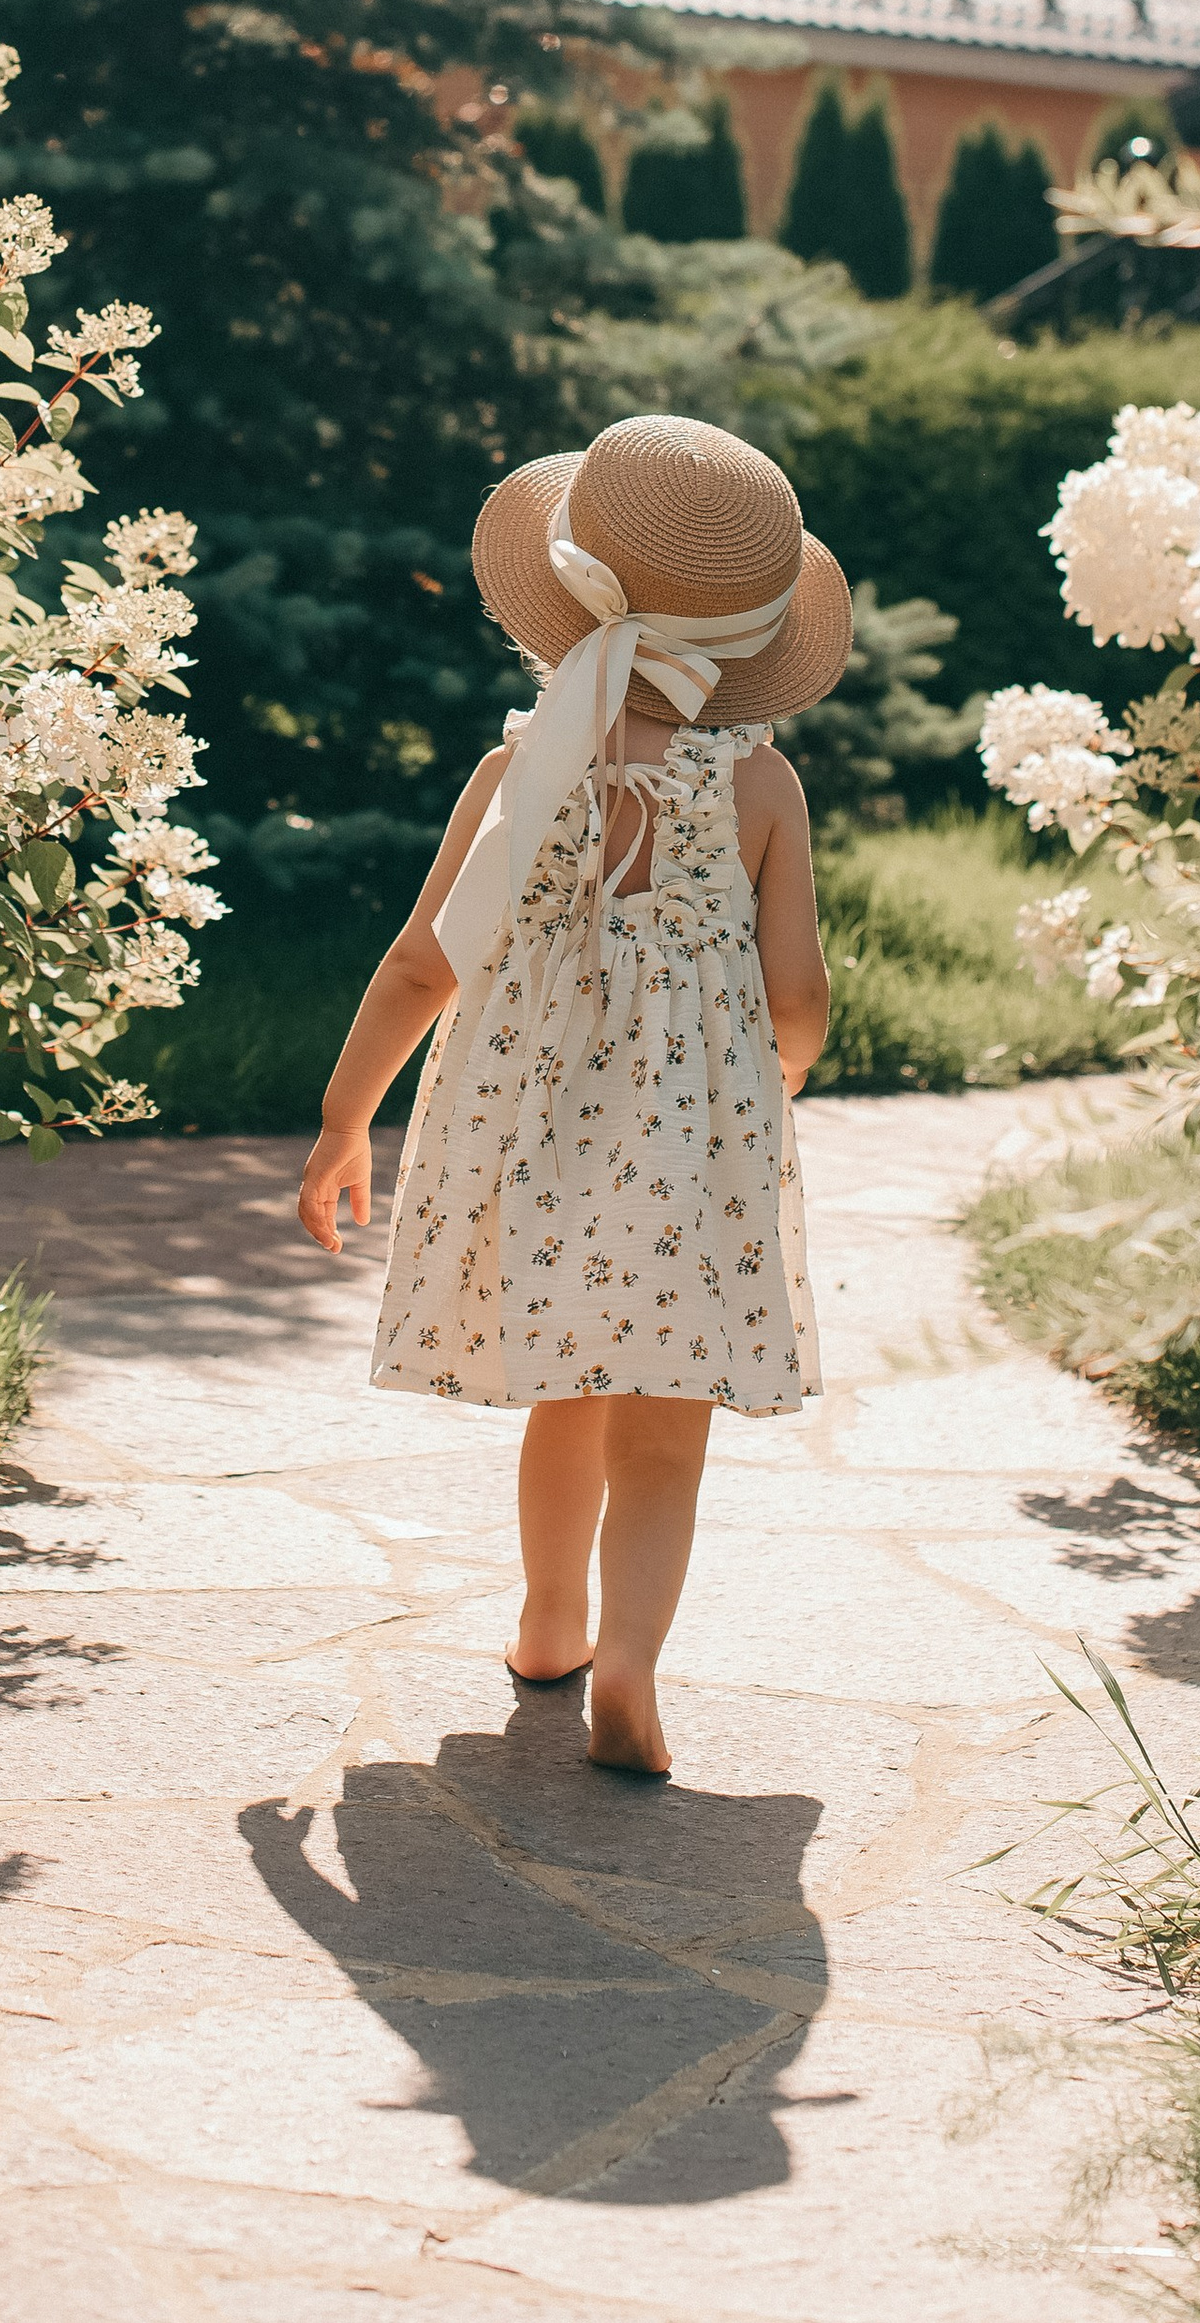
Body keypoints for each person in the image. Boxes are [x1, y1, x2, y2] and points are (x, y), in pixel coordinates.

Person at [297, 413, 849, 1780]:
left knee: (571, 1389)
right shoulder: (762, 787)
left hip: (534, 1139)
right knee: (668, 1428)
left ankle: (551, 1627)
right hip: (695, 1148)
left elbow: (426, 962)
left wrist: (342, 1118)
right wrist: (779, 1075)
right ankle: (638, 1672)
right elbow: (800, 995)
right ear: (745, 646)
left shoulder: (517, 772)